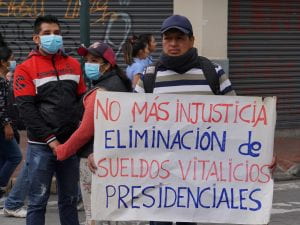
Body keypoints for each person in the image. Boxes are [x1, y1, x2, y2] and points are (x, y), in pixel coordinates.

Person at [13, 15, 86, 225]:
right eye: (47, 34)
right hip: (41, 147)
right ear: (36, 38)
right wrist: (51, 140)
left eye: (56, 33)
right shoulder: (25, 68)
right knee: (37, 201)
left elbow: (81, 100)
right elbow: (27, 111)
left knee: (70, 201)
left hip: (70, 146)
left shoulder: (73, 64)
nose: (53, 37)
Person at [54, 42, 132, 225]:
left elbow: (86, 131)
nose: (89, 64)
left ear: (108, 64)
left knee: (94, 216)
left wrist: (63, 150)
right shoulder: (120, 84)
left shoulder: (101, 91)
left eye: (95, 60)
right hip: (114, 157)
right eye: (87, 60)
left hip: (93, 160)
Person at [0, 34, 22, 204]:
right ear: (3, 62)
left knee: (3, 157)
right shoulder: (0, 81)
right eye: (11, 59)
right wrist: (6, 124)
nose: (13, 62)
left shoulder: (4, 80)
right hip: (2, 125)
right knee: (15, 156)